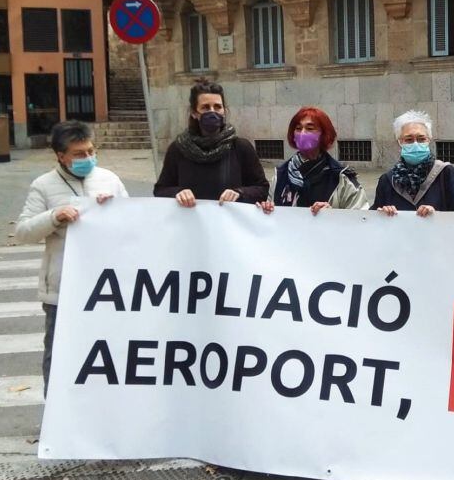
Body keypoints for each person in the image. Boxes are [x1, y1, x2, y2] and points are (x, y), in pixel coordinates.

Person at [15, 121, 129, 394]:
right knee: (59, 352)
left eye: (91, 151)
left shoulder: (109, 179)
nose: (87, 158)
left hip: (106, 288)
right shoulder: (43, 186)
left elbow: (132, 224)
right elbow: (23, 231)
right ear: (60, 155)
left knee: (105, 352)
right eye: (79, 154)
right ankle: (54, 415)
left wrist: (114, 210)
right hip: (63, 287)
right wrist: (54, 216)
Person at [154, 78, 269, 207]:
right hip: (190, 224)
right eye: (205, 107)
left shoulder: (240, 147)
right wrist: (178, 193)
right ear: (193, 113)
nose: (212, 111)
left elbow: (262, 189)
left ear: (224, 111)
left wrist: (240, 193)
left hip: (229, 224)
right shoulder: (178, 149)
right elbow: (160, 190)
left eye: (218, 107)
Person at [258, 107, 368, 215]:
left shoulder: (341, 178)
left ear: (324, 135)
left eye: (310, 129)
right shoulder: (281, 175)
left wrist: (333, 214)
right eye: (298, 128)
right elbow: (271, 215)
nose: (302, 133)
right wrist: (266, 209)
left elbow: (360, 218)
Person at [372, 110, 454, 216]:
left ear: (429, 140)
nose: (415, 144)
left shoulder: (445, 173)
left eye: (421, 139)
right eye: (409, 139)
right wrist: (382, 213)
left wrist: (437, 215)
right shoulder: (388, 180)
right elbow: (371, 219)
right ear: (400, 142)